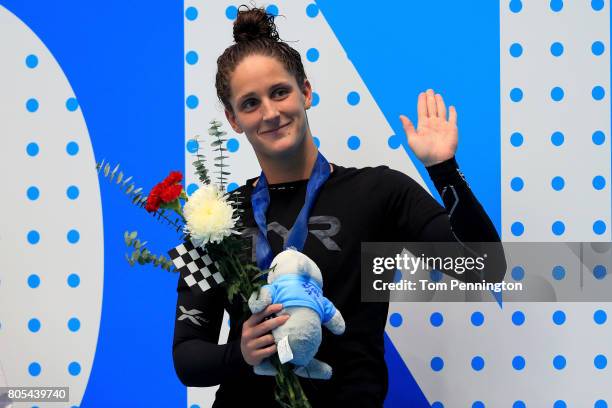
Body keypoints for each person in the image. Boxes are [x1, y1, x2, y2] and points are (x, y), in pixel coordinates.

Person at [173, 6, 504, 407]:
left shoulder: (379, 192)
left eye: (280, 92)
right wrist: (237, 352)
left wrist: (443, 169)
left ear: (306, 92)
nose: (271, 112)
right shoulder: (214, 219)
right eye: (250, 103)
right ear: (233, 119)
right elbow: (187, 355)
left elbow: (486, 267)